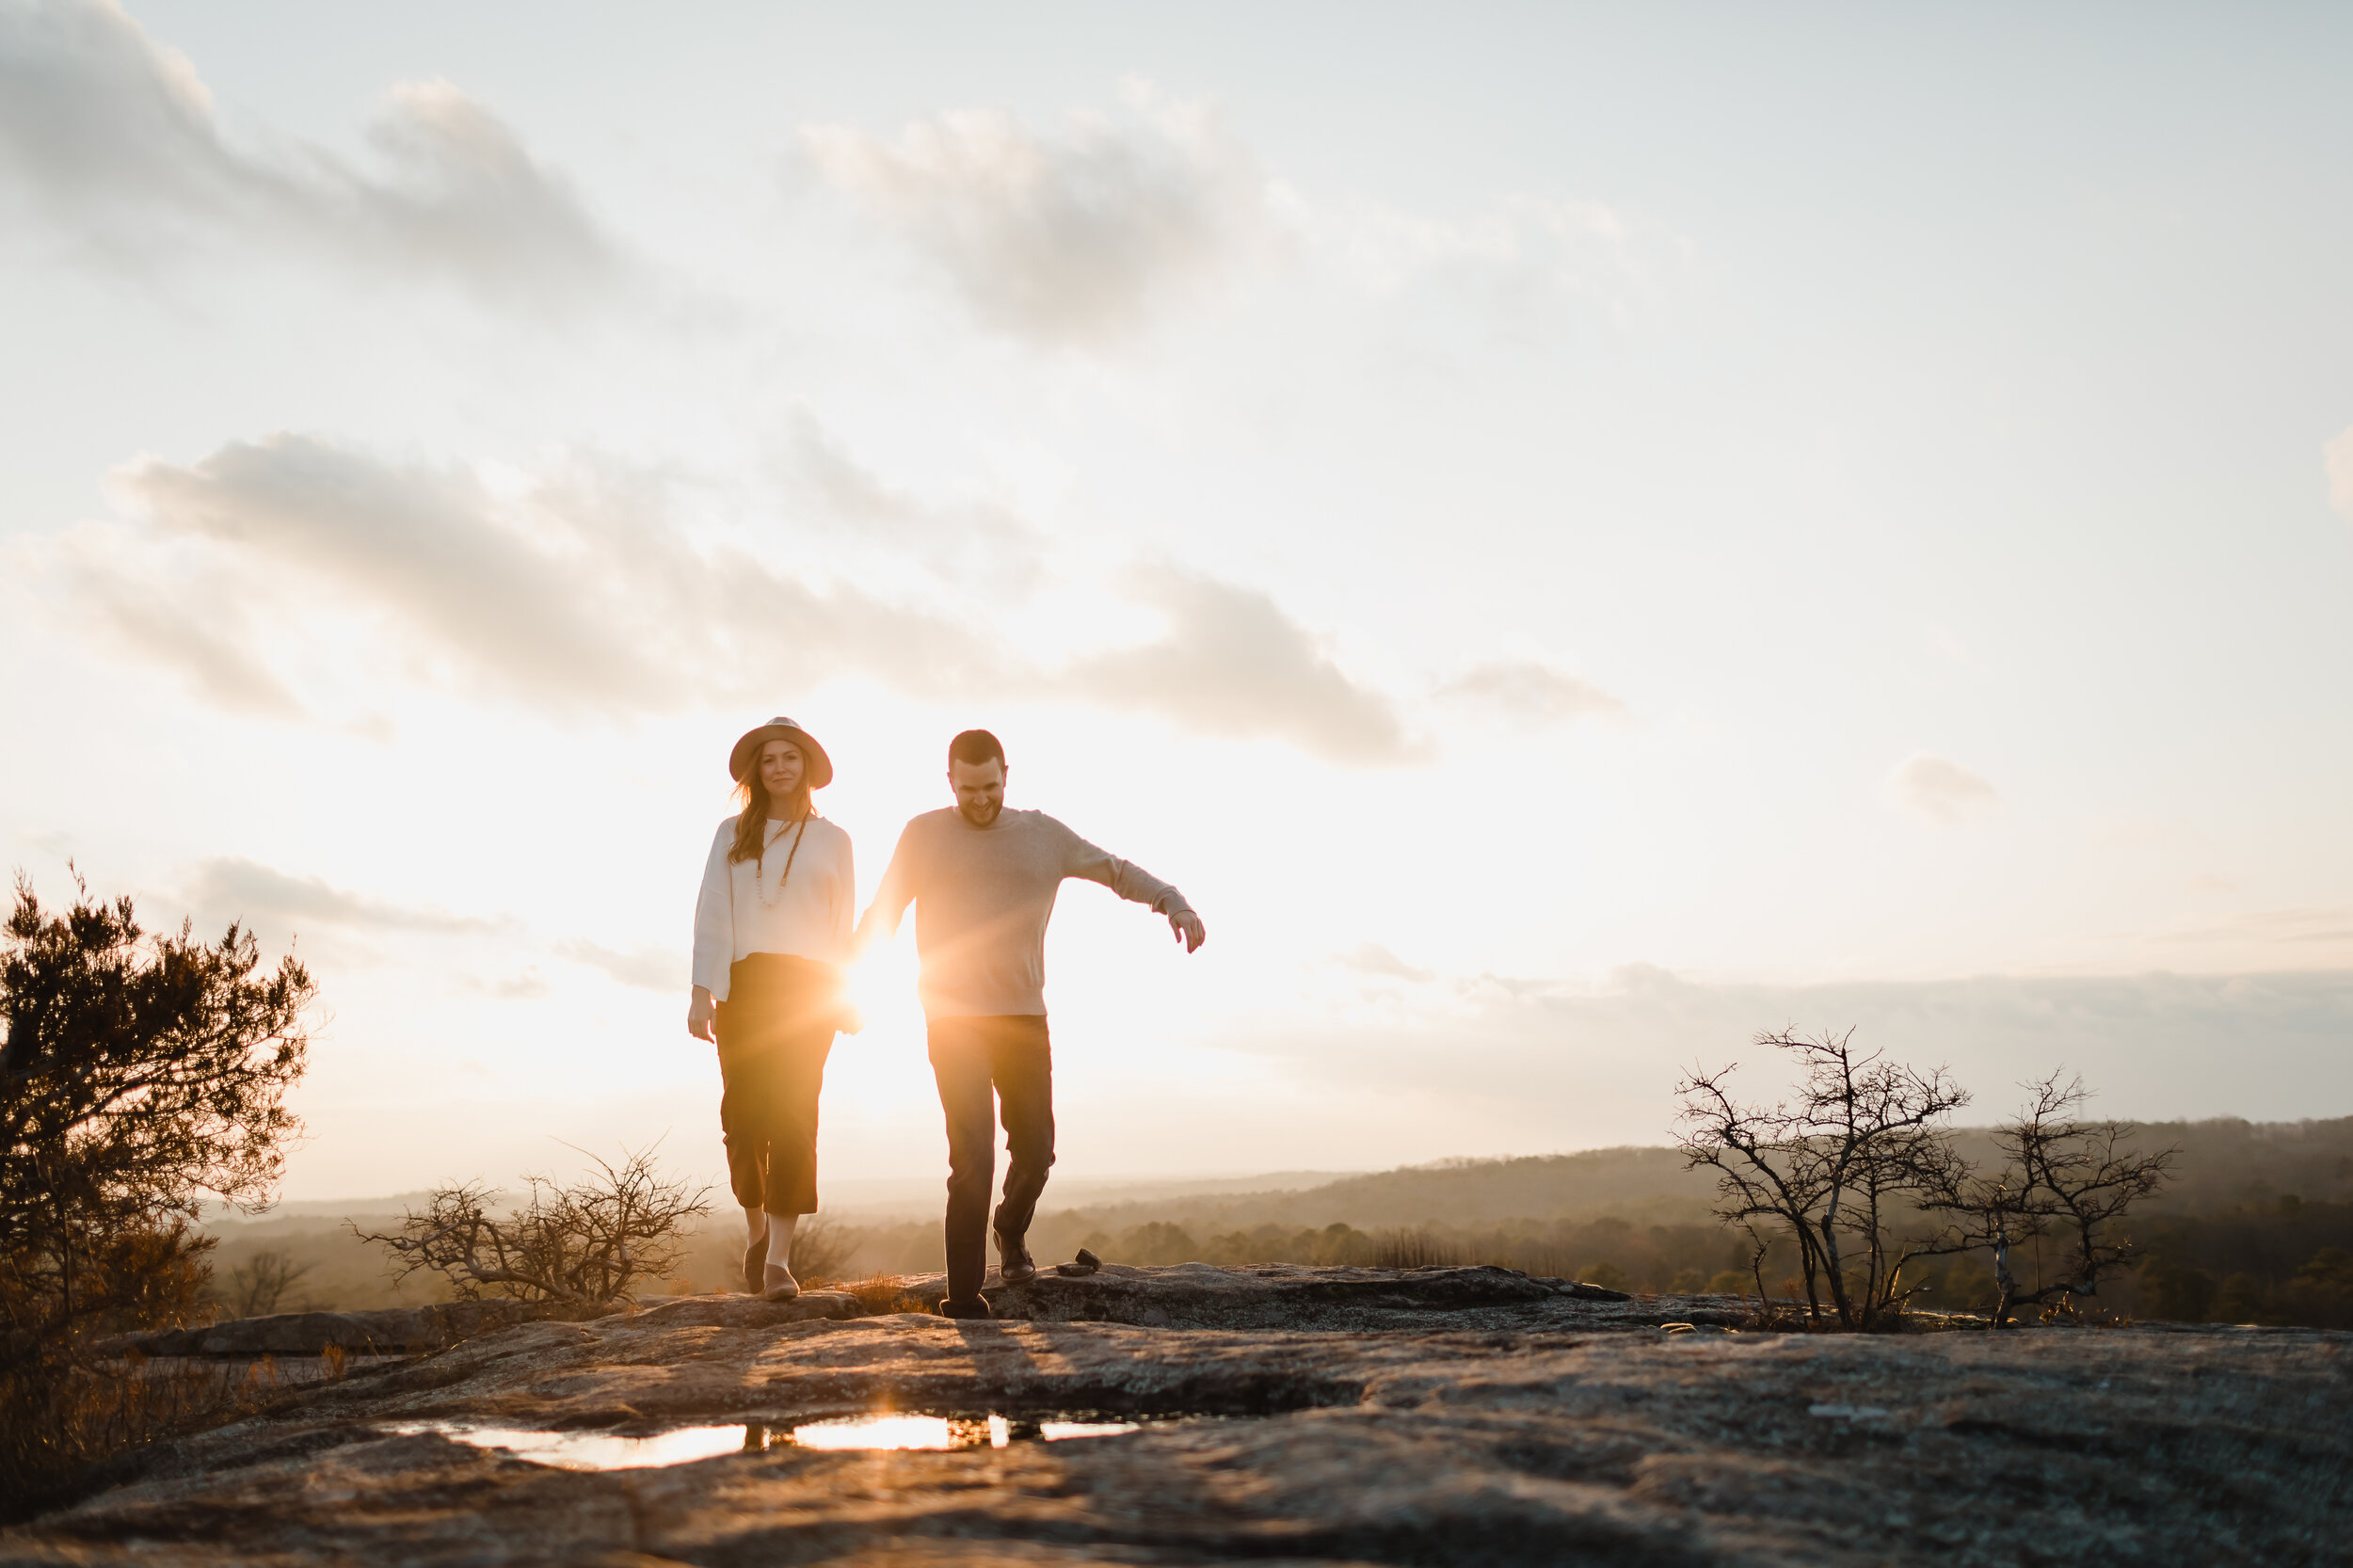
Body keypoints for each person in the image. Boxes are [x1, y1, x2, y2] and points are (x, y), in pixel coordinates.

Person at [856, 728, 1206, 1319]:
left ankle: (1010, 1228)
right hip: (952, 1019)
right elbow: (883, 911)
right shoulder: (922, 834)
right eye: (968, 789)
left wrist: (1173, 899)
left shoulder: (1043, 835)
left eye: (990, 786)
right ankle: (963, 1298)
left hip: (1022, 1018)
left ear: (1006, 776)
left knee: (1038, 1149)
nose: (980, 799)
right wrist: (850, 984)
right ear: (950, 783)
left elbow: (1114, 870)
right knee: (972, 1157)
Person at [689, 716, 856, 1300]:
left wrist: (847, 994)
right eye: (769, 759)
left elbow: (843, 926)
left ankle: (779, 1261)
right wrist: (699, 992)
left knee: (793, 1118)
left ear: (806, 766)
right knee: (742, 1118)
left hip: (809, 992)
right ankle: (757, 1225)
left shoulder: (835, 840)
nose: (780, 766)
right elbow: (712, 913)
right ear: (757, 772)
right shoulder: (731, 833)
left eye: (790, 757)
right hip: (744, 986)